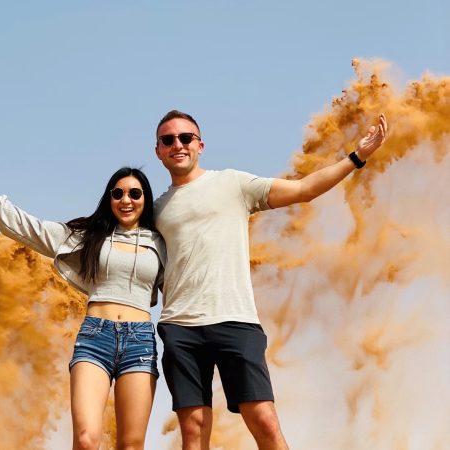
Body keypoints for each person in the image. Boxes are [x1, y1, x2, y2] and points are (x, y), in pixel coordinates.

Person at [152, 110, 387, 450]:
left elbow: (303, 190)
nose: (178, 144)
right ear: (158, 150)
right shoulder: (154, 210)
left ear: (200, 145)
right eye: (168, 140)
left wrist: (357, 157)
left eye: (185, 138)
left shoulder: (232, 184)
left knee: (263, 421)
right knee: (193, 432)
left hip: (236, 320)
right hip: (180, 327)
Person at [0, 166, 166, 450]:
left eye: (134, 193)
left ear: (145, 198)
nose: (126, 200)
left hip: (140, 342)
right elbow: (35, 231)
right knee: (86, 439)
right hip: (96, 338)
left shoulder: (159, 243)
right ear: (109, 199)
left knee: (130, 444)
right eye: (117, 193)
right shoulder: (90, 235)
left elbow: (185, 282)